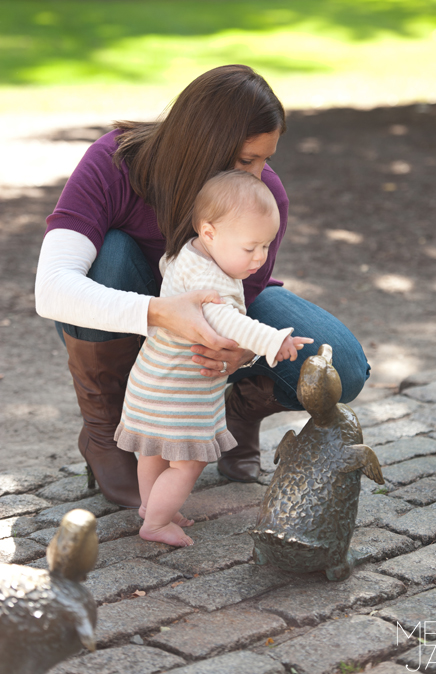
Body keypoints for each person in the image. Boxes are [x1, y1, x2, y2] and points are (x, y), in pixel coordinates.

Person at [35, 65, 370, 509]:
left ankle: (240, 410)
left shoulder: (262, 196)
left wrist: (244, 350)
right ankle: (106, 430)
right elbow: (53, 288)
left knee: (340, 366)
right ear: (201, 145)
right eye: (247, 159)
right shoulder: (114, 161)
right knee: (111, 251)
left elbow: (238, 302)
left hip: (215, 320)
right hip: (127, 321)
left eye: (267, 158)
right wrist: (161, 312)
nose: (259, 175)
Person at [118, 170, 313, 546]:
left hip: (149, 381)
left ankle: (152, 506)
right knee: (187, 463)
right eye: (250, 248)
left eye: (266, 247)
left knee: (153, 452)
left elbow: (164, 269)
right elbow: (230, 322)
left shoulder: (186, 253)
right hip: (181, 395)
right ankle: (156, 524)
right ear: (210, 233)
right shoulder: (214, 285)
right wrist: (275, 340)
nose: (259, 258)